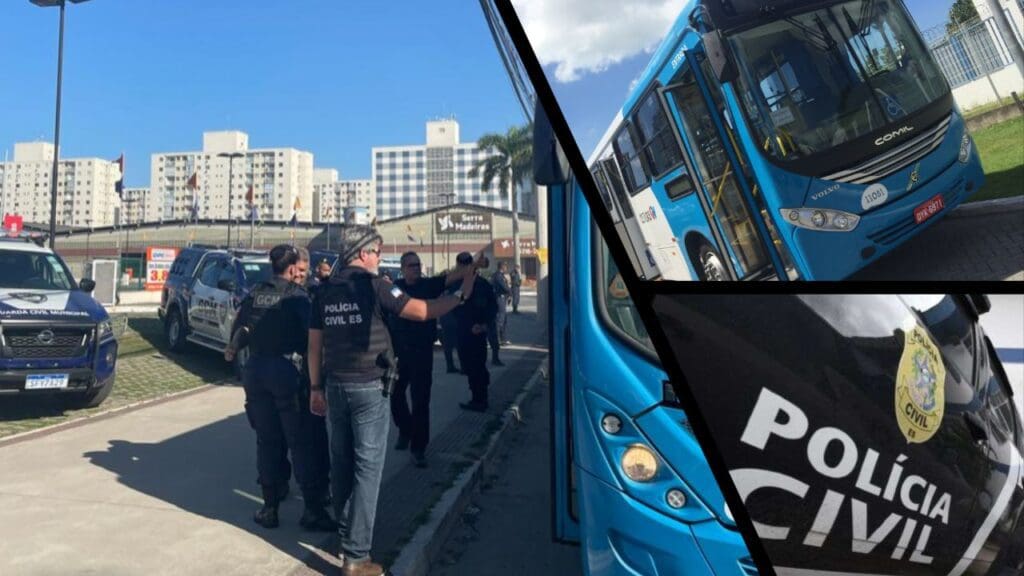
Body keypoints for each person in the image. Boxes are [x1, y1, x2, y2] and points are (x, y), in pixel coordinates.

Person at [307, 226, 476, 576]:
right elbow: (420, 311)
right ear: (363, 252)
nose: (379, 258)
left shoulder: (324, 291)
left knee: (341, 463)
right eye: (377, 251)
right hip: (369, 387)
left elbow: (314, 346)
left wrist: (315, 388)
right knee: (367, 470)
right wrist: (459, 298)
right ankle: (356, 557)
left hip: (335, 385)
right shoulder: (375, 284)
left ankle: (346, 535)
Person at [224, 244, 334, 532]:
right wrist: (317, 382)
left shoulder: (257, 293)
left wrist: (233, 349)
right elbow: (313, 340)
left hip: (256, 371)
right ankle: (312, 508)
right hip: (287, 372)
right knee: (301, 442)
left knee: (267, 441)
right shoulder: (297, 298)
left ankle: (269, 508)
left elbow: (241, 329)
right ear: (291, 267)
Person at [390, 251, 466, 468]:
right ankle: (405, 429)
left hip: (422, 351)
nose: (416, 268)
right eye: (411, 265)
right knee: (395, 394)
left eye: (418, 265)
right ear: (403, 268)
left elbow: (449, 278)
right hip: (398, 351)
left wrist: (469, 268)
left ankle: (418, 447)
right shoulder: (395, 287)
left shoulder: (428, 285)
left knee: (421, 400)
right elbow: (387, 303)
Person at [452, 251, 498, 412]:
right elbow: (452, 307)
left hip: (476, 333)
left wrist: (484, 325)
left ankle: (480, 399)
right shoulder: (457, 284)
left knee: (477, 367)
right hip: (464, 332)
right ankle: (478, 397)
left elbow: (493, 308)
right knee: (470, 367)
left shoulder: (483, 285)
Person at [487, 260, 510, 365]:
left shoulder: (500, 275)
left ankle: (503, 338)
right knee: (500, 319)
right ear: (502, 267)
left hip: (502, 298)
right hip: (499, 299)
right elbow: (503, 287)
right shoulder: (498, 276)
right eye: (505, 266)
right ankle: (496, 337)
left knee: (504, 319)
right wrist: (509, 291)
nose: (506, 268)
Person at [439, 309, 459, 374]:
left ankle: (450, 366)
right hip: (453, 320)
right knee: (458, 343)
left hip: (445, 320)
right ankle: (463, 366)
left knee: (447, 345)